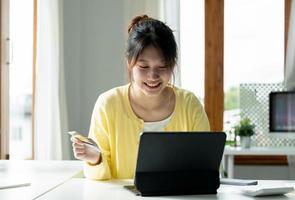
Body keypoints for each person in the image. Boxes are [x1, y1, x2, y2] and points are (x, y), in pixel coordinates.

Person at [71, 15, 210, 180]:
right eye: (143, 66)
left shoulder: (190, 105)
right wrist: (95, 159)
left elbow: (206, 169)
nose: (153, 76)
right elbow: (100, 181)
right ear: (129, 63)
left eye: (162, 66)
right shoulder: (108, 104)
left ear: (172, 64)